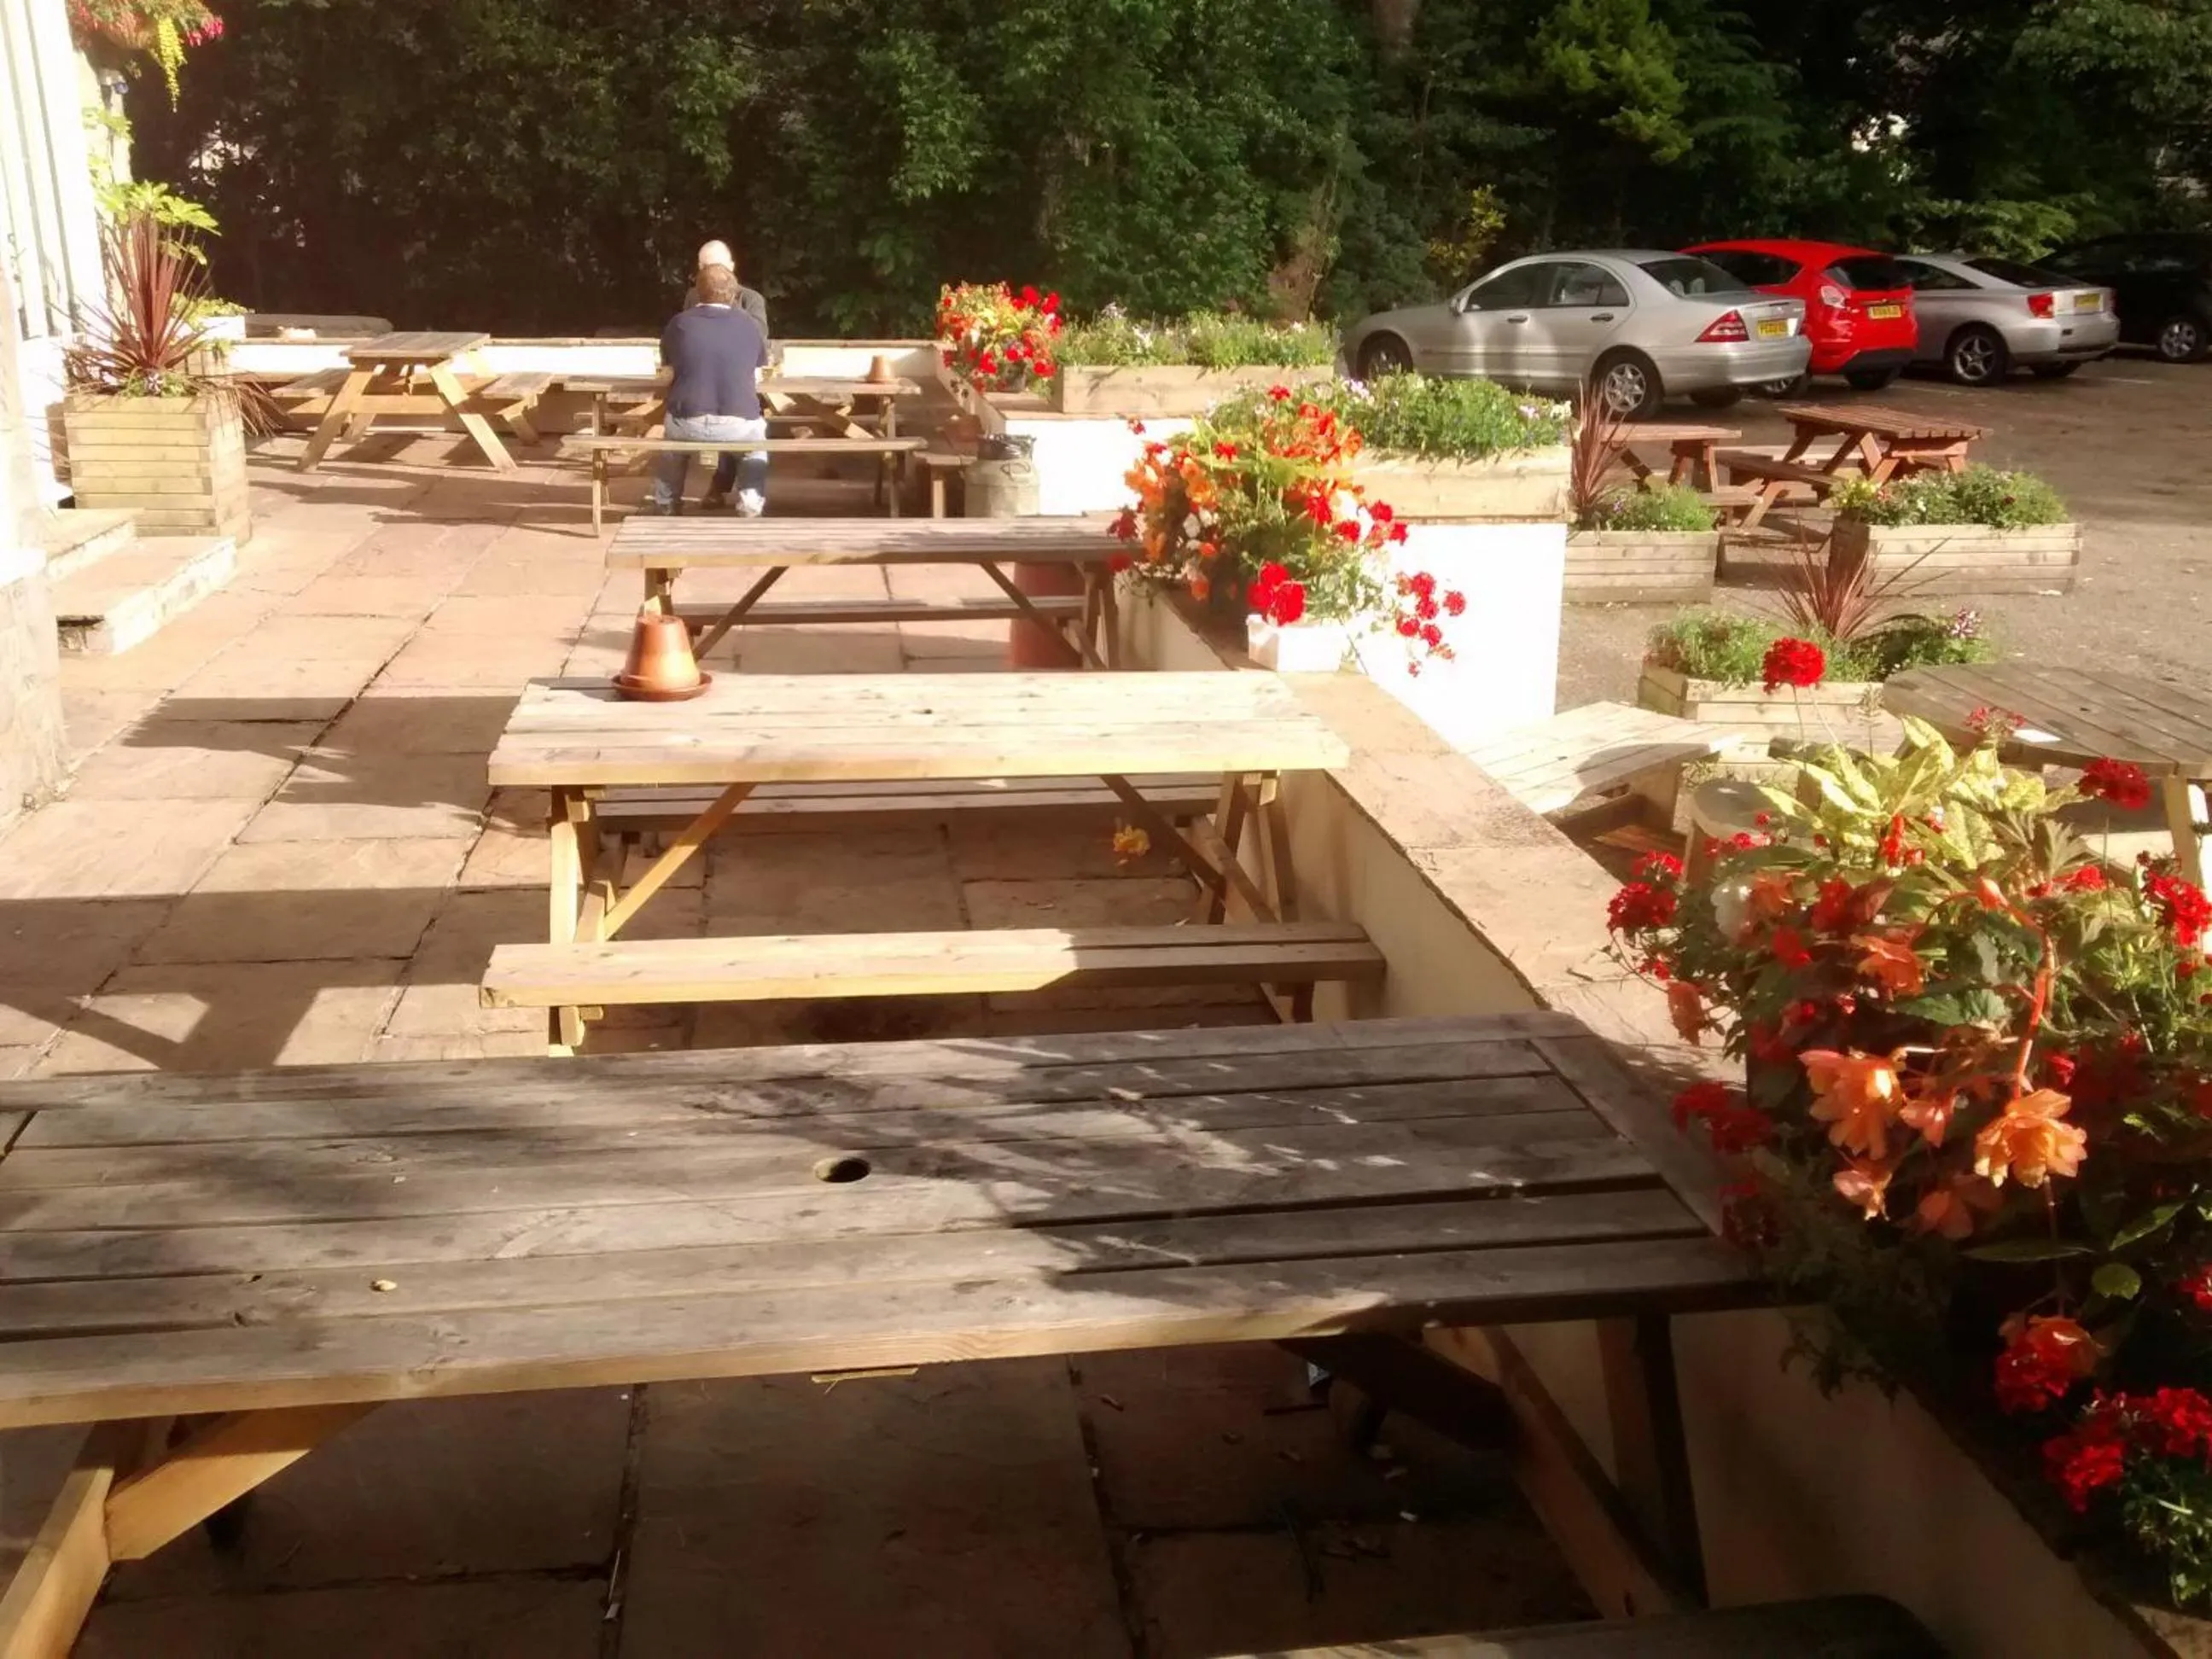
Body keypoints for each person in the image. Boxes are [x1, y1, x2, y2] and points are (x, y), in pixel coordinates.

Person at [649, 264, 769, 516]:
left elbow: (668, 374)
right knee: (756, 444)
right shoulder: (750, 326)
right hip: (738, 422)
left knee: (672, 445)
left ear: (697, 293)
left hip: (687, 420)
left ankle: (666, 502)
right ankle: (750, 503)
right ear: (734, 293)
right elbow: (756, 376)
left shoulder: (679, 324)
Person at [686, 241, 771, 509]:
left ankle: (736, 491)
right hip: (705, 384)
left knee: (738, 412)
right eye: (709, 268)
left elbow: (758, 339)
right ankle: (734, 492)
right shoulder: (692, 297)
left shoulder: (752, 299)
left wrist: (723, 306)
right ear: (700, 271)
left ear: (732, 268)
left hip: (743, 381)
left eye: (720, 268)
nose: (716, 276)